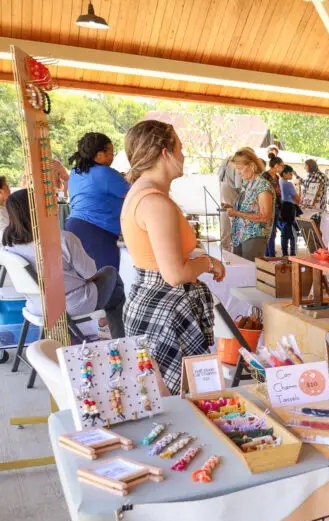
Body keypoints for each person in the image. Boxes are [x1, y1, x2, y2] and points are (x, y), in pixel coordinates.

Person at [120, 120, 225, 395]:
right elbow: (175, 274)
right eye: (180, 147)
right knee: (180, 406)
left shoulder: (140, 194)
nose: (184, 154)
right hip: (165, 310)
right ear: (165, 153)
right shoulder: (155, 202)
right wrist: (209, 263)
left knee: (171, 405)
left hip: (153, 303)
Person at [3, 189, 126, 339]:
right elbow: (91, 274)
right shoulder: (63, 239)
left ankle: (104, 329)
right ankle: (116, 336)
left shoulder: (8, 244)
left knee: (113, 287)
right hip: (69, 306)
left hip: (36, 306)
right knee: (113, 278)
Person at [66, 132, 130, 271]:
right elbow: (132, 194)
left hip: (73, 227)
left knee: (86, 277)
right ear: (99, 154)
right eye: (111, 152)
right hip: (96, 230)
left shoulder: (75, 172)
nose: (112, 157)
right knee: (106, 278)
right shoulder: (106, 173)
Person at [224, 149, 273, 260]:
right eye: (236, 169)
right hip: (240, 235)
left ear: (251, 165)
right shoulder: (247, 184)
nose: (238, 172)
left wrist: (237, 213)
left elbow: (265, 217)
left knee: (249, 273)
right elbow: (248, 209)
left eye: (240, 168)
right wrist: (232, 209)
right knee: (240, 272)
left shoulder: (263, 186)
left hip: (254, 237)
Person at [262, 156, 284, 257]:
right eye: (282, 166)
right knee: (269, 232)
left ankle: (270, 254)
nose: (283, 168)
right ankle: (270, 255)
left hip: (277, 207)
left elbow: (278, 193)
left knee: (273, 233)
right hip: (268, 207)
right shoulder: (265, 176)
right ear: (275, 165)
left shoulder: (277, 177)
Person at [277, 165, 300, 257]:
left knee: (284, 233)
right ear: (285, 173)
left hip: (281, 207)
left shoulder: (279, 182)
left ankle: (285, 253)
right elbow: (297, 199)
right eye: (290, 173)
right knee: (292, 233)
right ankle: (293, 254)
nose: (292, 175)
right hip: (289, 208)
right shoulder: (288, 184)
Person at [302, 159, 329, 228]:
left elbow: (327, 183)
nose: (304, 167)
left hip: (316, 209)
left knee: (316, 230)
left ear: (310, 166)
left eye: (306, 165)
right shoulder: (311, 176)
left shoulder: (318, 176)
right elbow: (307, 186)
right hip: (312, 208)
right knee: (313, 231)